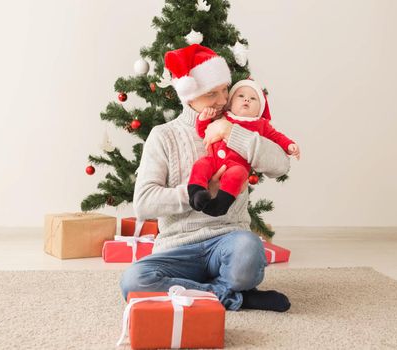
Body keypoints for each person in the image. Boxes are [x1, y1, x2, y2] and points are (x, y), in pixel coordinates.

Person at [120, 44, 291, 312]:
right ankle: (235, 296)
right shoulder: (163, 136)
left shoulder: (239, 124)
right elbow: (143, 203)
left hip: (228, 239)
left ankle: (206, 289)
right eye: (212, 94)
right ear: (189, 97)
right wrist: (197, 194)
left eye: (225, 89)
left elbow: (281, 165)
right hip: (176, 248)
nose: (223, 100)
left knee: (249, 252)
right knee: (132, 281)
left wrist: (232, 133)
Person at [188, 79, 300, 217]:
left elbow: (277, 137)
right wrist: (203, 119)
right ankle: (196, 193)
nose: (246, 99)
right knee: (201, 165)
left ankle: (220, 205)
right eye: (240, 96)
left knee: (238, 175)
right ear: (230, 103)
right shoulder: (224, 117)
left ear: (260, 108)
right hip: (214, 160)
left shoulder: (261, 125)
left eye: (253, 98)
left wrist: (289, 145)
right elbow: (204, 132)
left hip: (236, 165)